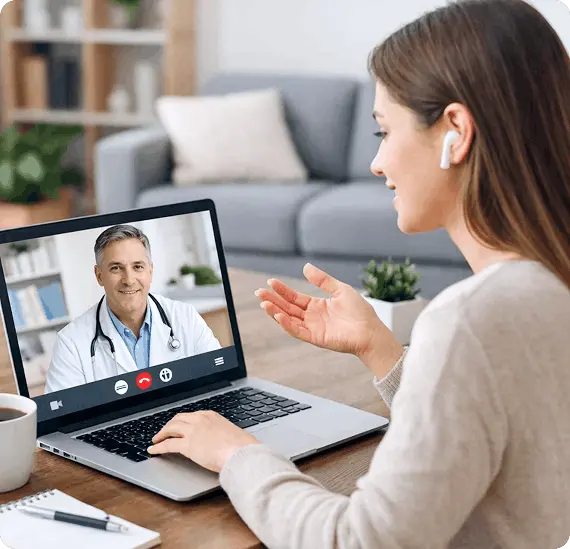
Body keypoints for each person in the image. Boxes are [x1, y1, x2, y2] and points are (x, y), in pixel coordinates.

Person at [145, 1, 570, 547]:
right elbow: (502, 426)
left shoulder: (473, 318)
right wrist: (382, 351)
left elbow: (360, 541)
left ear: (455, 132)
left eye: (384, 132)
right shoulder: (547, 282)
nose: (377, 163)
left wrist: (236, 453)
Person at [44, 225, 221, 393]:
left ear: (150, 271)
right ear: (99, 276)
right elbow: (64, 417)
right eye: (116, 268)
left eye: (138, 267)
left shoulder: (185, 317)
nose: (129, 279)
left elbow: (219, 379)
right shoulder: (70, 343)